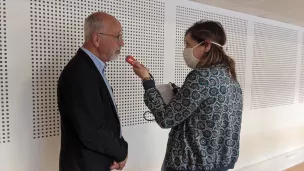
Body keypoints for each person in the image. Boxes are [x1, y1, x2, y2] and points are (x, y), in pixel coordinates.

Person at [132, 20, 243, 171]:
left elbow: (166, 119)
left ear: (207, 45)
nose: (185, 50)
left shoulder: (201, 77)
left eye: (188, 45)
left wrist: (147, 82)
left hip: (190, 164)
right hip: (218, 164)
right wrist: (179, 93)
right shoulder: (230, 77)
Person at [57, 12, 128, 171]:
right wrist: (121, 153)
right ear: (97, 39)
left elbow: (104, 119)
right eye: (117, 37)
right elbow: (93, 130)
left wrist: (120, 149)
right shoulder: (80, 73)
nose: (122, 43)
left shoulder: (91, 69)